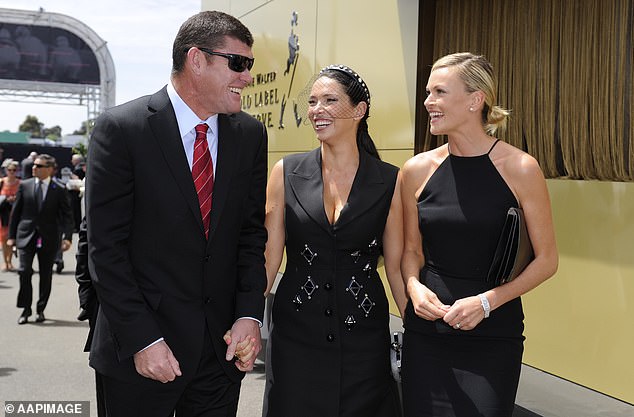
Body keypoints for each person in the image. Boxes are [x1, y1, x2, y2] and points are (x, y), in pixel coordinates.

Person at [85, 11, 267, 416]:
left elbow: (251, 236)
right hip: (141, 356)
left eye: (249, 65)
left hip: (219, 357)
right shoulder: (123, 129)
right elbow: (105, 249)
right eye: (237, 63)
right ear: (196, 59)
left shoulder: (250, 135)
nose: (247, 76)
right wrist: (142, 340)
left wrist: (250, 314)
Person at [400, 52, 558, 417]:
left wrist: (486, 303)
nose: (428, 102)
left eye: (439, 92)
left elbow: (548, 260)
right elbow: (411, 251)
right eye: (427, 92)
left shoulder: (521, 168)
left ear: (475, 100)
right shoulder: (415, 170)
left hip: (493, 336)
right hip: (428, 334)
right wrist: (413, 286)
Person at [262, 64, 407, 417]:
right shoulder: (286, 172)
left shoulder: (390, 181)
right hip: (295, 338)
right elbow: (267, 259)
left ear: (360, 110)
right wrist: (246, 319)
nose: (316, 110)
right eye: (312, 102)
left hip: (364, 339)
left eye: (329, 100)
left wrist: (416, 328)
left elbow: (398, 265)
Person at [8, 154, 73, 324]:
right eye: (34, 165)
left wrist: (67, 238)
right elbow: (16, 213)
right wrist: (11, 237)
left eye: (39, 166)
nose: (34, 168)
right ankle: (25, 309)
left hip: (49, 238)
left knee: (46, 275)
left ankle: (40, 309)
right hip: (26, 236)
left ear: (50, 169)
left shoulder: (59, 189)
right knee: (24, 271)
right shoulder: (25, 185)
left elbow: (67, 215)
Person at [0, 159, 20, 271]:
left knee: (11, 238)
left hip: (14, 214)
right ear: (6, 170)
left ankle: (10, 260)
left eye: (14, 170)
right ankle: (5, 262)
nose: (12, 172)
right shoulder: (1, 182)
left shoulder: (20, 183)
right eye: (10, 170)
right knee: (3, 239)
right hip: (3, 214)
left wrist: (15, 198)